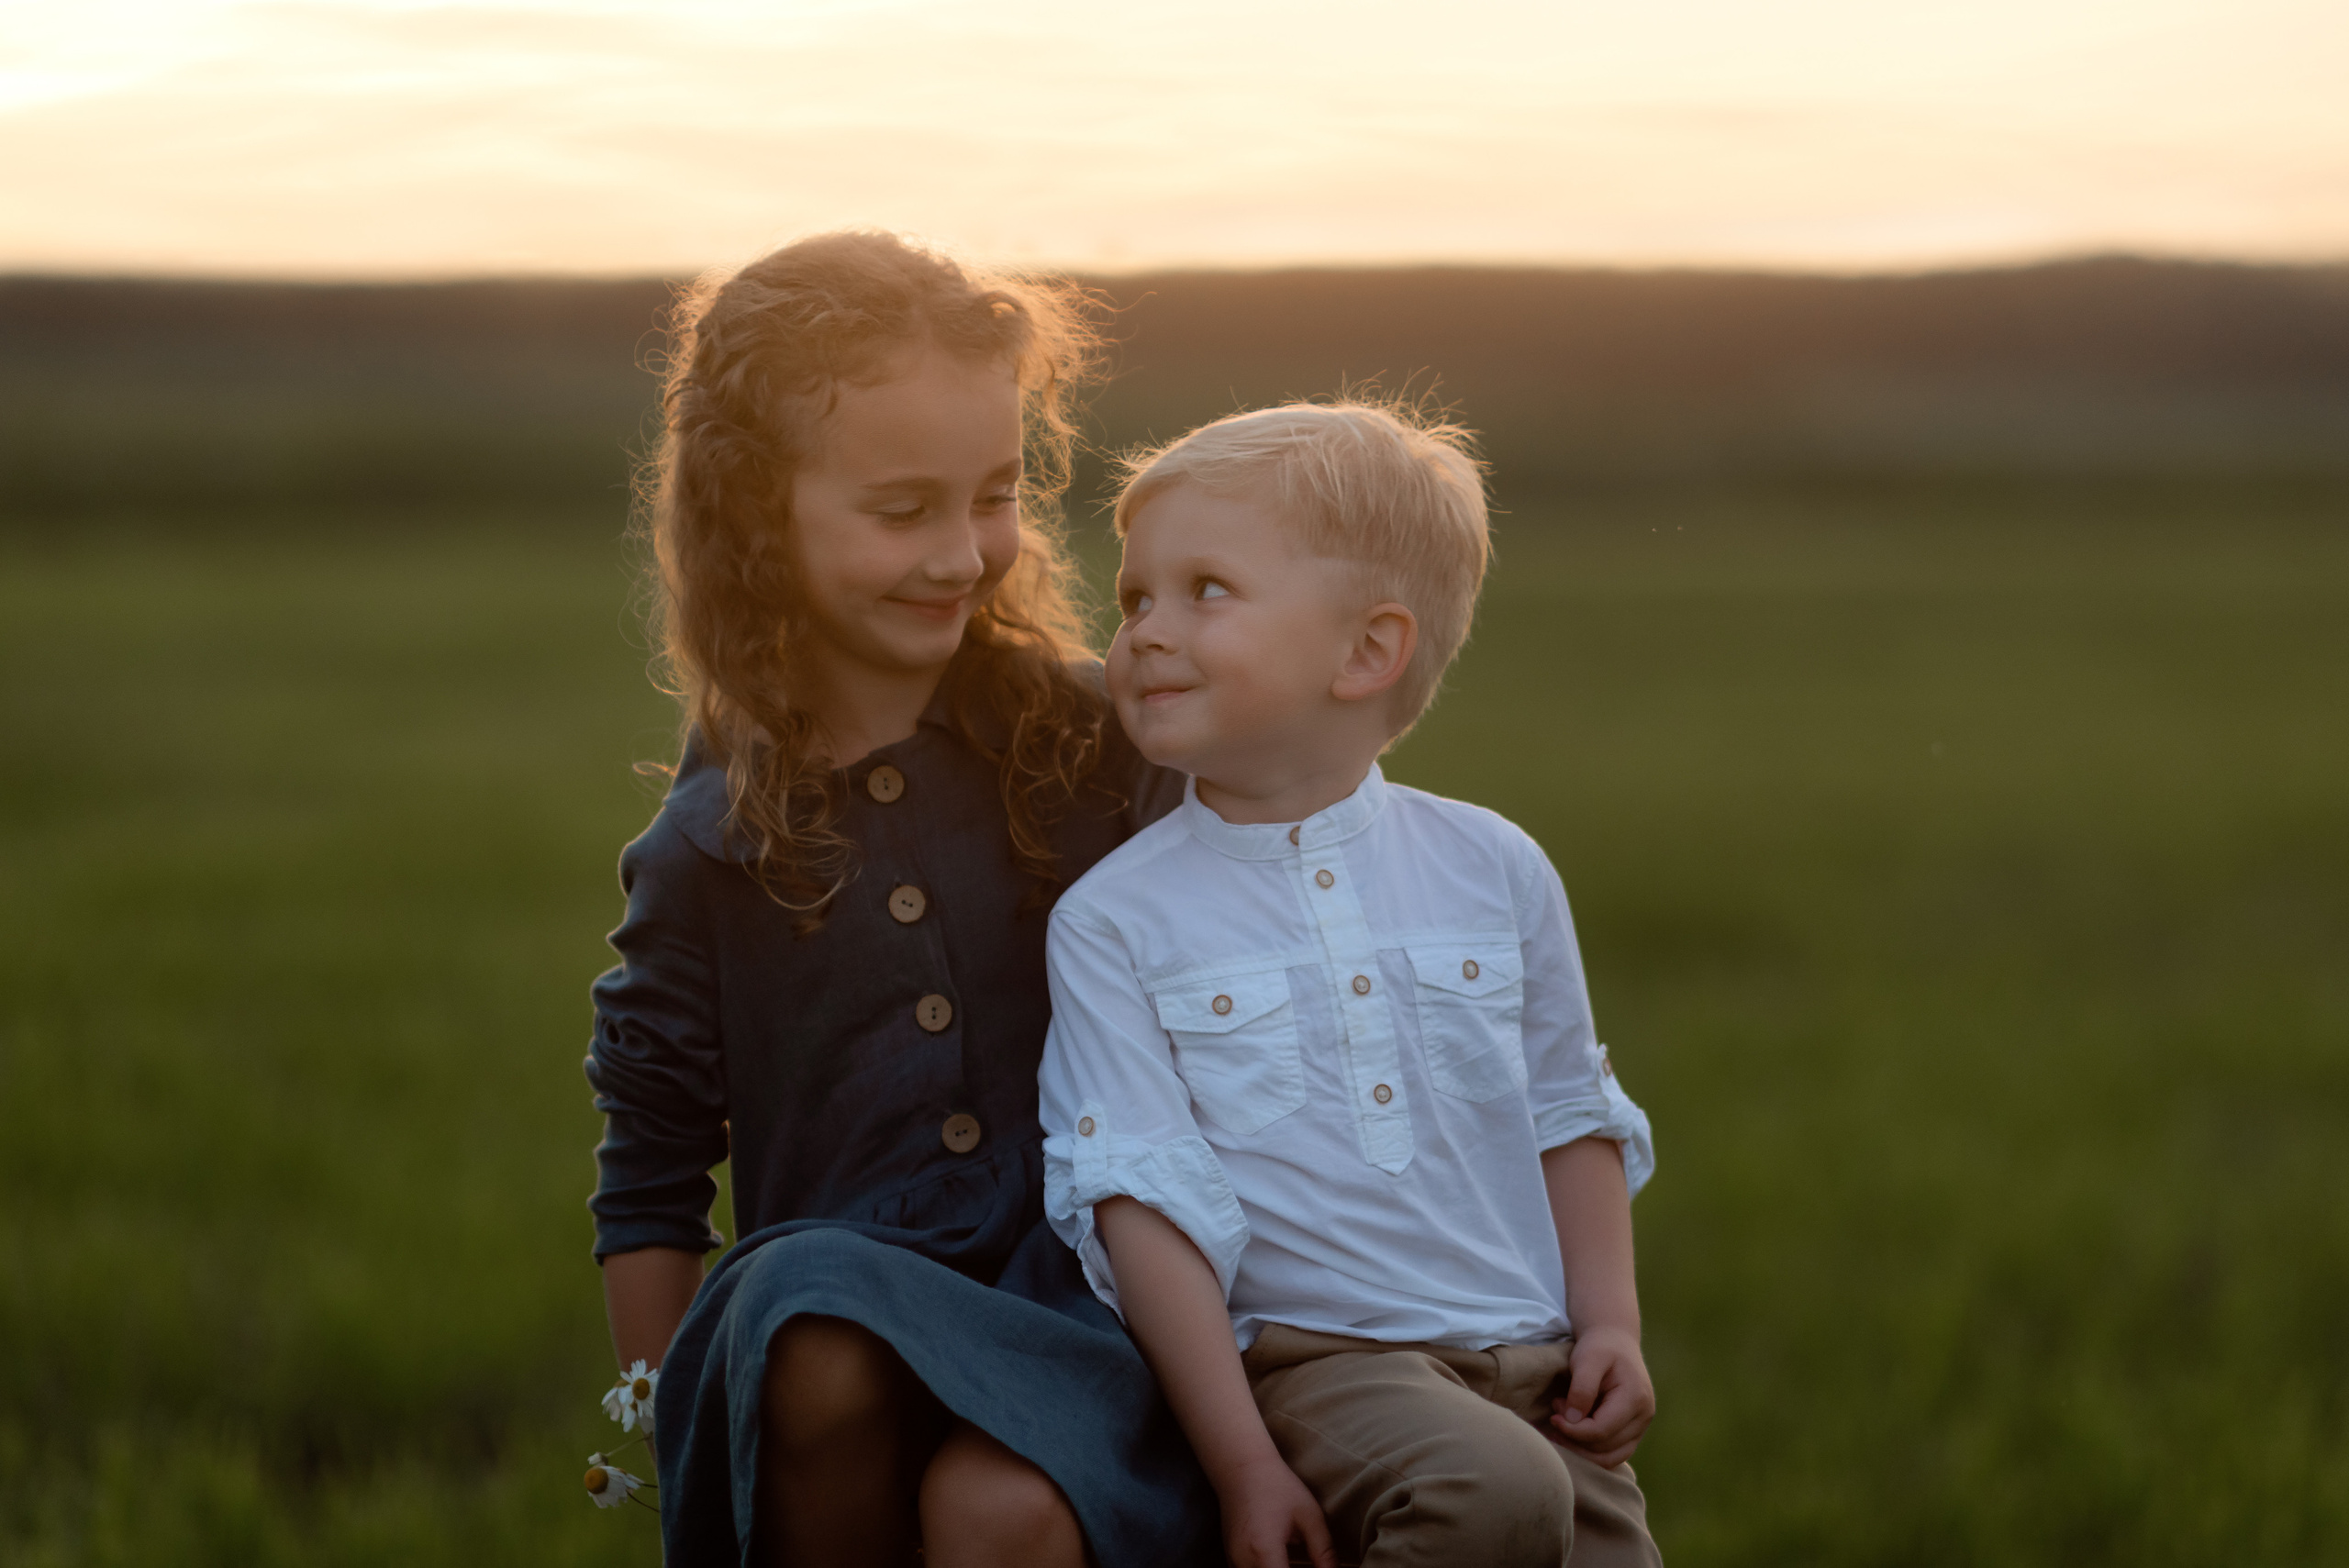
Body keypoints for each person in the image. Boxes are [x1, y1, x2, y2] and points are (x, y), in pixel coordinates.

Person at [584, 231, 1217, 1568]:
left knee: (1009, 1513)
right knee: (806, 1322)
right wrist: (670, 1423)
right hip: (838, 1336)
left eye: (993, 494)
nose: (962, 552)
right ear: (756, 513)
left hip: (1092, 1298)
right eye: (903, 508)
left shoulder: (1103, 746)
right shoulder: (712, 841)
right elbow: (648, 1172)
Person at [1037, 400, 1665, 1568]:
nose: (1142, 632)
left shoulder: (1496, 866)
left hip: (1533, 1365)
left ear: (1367, 651)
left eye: (1205, 590)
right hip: (1318, 1366)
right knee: (1490, 1492)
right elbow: (1141, 1202)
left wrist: (1610, 1323)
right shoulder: (1114, 919)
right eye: (1135, 599)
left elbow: (1568, 1111)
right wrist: (1242, 1462)